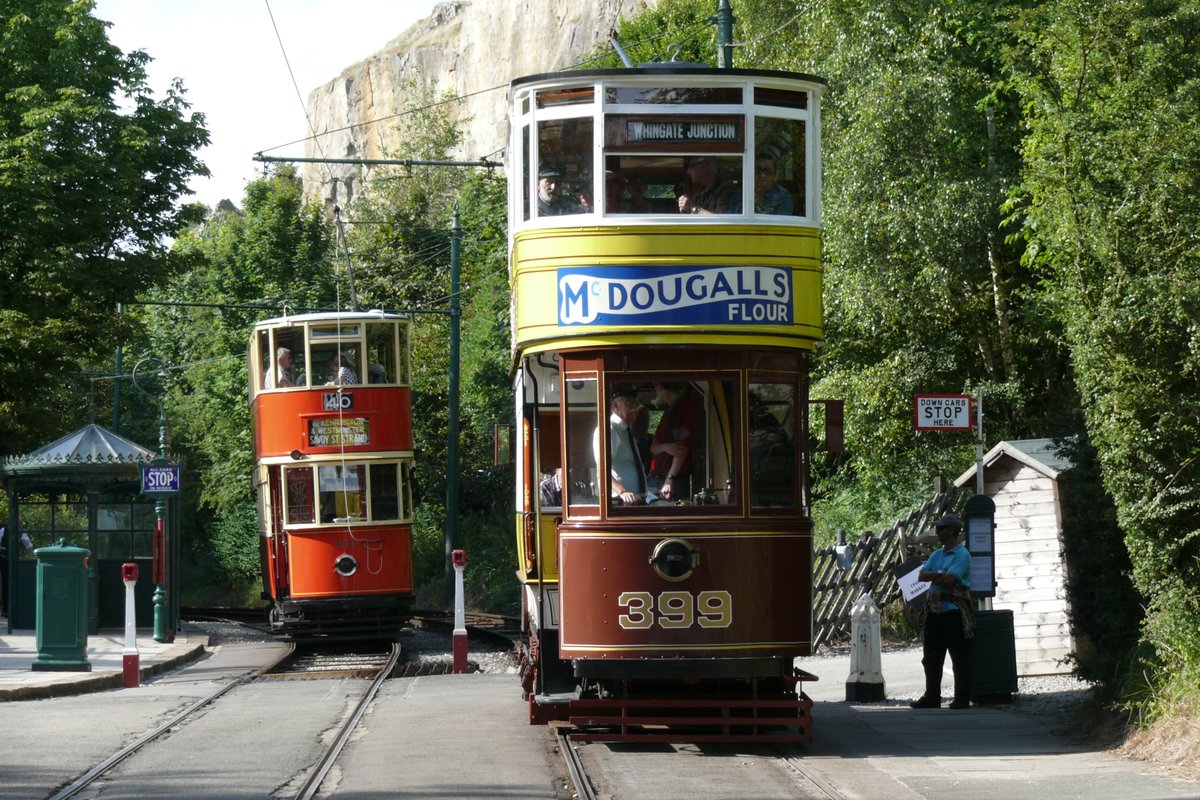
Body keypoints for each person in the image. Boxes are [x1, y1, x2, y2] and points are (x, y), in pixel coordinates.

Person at [910, 513, 974, 710]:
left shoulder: (962, 555)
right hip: (935, 611)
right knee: (931, 657)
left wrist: (935, 576)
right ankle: (932, 697)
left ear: (952, 531)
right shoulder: (937, 554)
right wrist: (939, 573)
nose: (937, 531)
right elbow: (921, 576)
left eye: (941, 528)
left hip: (954, 611)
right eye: (937, 528)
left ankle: (962, 698)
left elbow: (950, 581)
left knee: (958, 657)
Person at [593, 384, 647, 505]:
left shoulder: (627, 430)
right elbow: (601, 469)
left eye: (635, 403)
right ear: (615, 406)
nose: (634, 407)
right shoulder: (608, 429)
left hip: (635, 501)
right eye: (629, 402)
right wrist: (622, 491)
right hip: (618, 502)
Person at [648, 382, 701, 501]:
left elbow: (681, 449)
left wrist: (669, 479)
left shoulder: (683, 410)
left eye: (656, 386)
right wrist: (665, 447)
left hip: (673, 483)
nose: (655, 389)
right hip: (657, 478)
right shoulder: (667, 412)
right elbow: (653, 447)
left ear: (660, 387)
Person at [677, 156, 741, 215]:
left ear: (704, 167)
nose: (688, 172)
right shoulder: (701, 192)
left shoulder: (726, 190)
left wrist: (693, 208)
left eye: (691, 167)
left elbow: (722, 222)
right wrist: (685, 208)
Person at [0, 516, 34, 617]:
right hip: (3, 559)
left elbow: (28, 545)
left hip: (13, 560)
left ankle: (11, 609)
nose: (20, 525)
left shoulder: (21, 532)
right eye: (19, 523)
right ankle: (5, 610)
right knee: (5, 584)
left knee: (13, 584)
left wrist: (33, 554)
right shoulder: (3, 530)